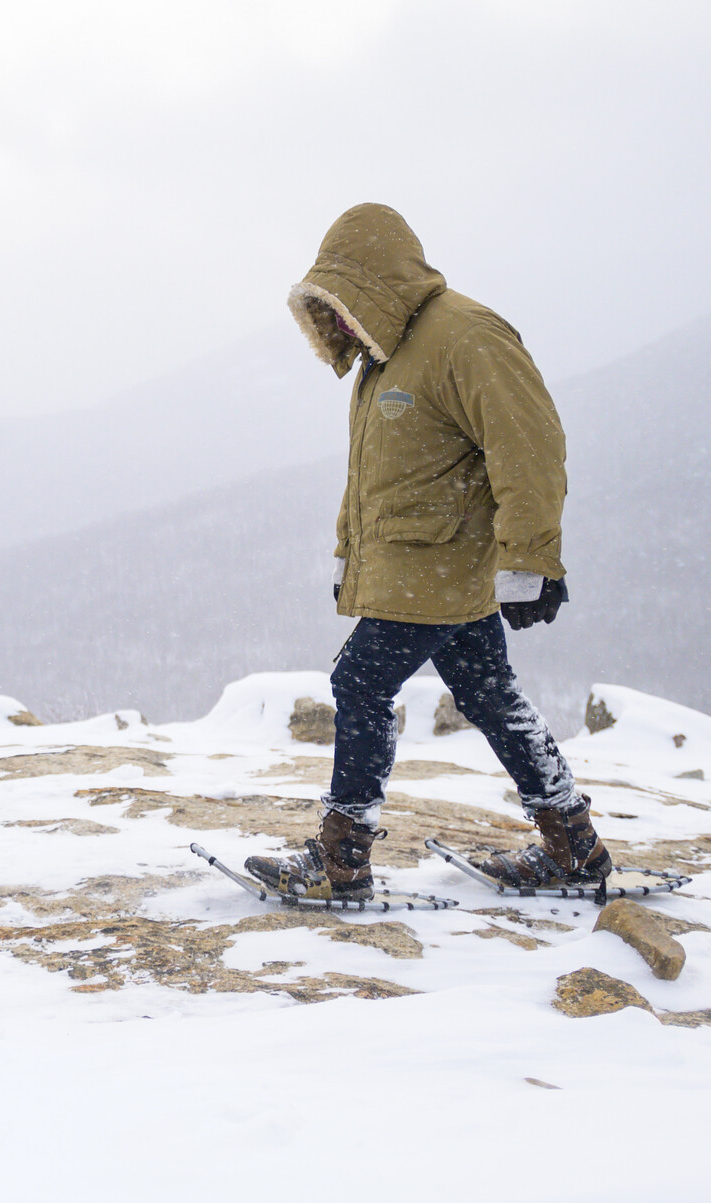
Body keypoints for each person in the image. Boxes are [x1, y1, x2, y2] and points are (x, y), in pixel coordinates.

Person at [246, 204, 610, 901]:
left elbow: (528, 446)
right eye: (329, 308)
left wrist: (531, 561)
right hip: (426, 569)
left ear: (379, 284)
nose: (341, 320)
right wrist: (348, 557)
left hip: (438, 571)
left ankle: (340, 858)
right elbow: (379, 479)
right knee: (488, 692)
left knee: (359, 682)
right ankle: (574, 844)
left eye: (346, 301)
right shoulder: (388, 358)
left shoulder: (465, 336)